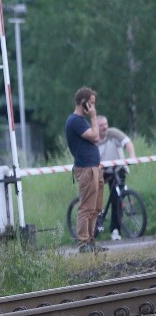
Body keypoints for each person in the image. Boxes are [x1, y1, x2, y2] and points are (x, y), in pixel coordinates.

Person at [64, 86, 106, 253]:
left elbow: (95, 137)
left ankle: (90, 242)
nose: (94, 107)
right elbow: (96, 136)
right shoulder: (75, 121)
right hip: (86, 169)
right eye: (92, 103)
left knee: (95, 208)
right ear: (84, 103)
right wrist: (94, 117)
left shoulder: (82, 121)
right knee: (86, 207)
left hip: (94, 168)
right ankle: (83, 243)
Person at [96, 115, 136, 240]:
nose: (104, 127)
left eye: (105, 124)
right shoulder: (93, 138)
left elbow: (127, 143)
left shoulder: (113, 133)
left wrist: (132, 156)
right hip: (100, 170)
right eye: (101, 125)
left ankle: (115, 230)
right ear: (96, 127)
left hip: (117, 168)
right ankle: (98, 214)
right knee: (95, 192)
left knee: (117, 197)